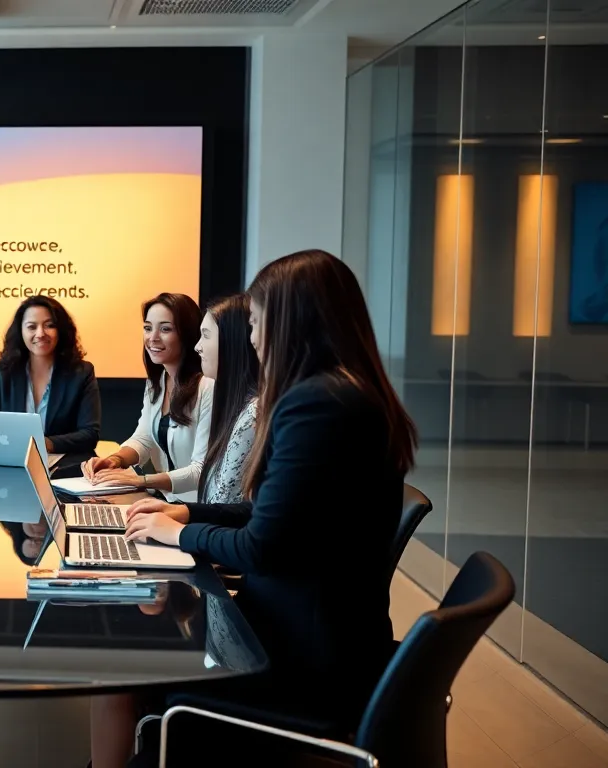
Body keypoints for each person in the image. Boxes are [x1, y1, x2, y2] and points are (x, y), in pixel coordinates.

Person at [91, 250, 417, 768]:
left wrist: (179, 535)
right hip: (325, 642)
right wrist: (187, 516)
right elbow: (268, 514)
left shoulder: (315, 405)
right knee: (138, 673)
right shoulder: (345, 394)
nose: (252, 336)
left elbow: (262, 547)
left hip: (300, 664)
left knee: (131, 677)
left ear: (291, 324)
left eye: (257, 322)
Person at [80, 293, 213, 501]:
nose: (153, 338)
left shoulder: (208, 387)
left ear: (187, 334)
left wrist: (140, 481)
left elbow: (200, 471)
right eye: (148, 328)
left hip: (199, 506)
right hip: (167, 500)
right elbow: (144, 438)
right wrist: (115, 460)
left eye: (165, 329)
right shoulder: (157, 381)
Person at [0, 295, 101, 460]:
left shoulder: (81, 373)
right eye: (31, 327)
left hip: (66, 466)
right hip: (14, 462)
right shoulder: (6, 371)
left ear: (61, 330)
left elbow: (89, 434)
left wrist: (45, 443)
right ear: (21, 331)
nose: (40, 333)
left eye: (49, 325)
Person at [192, 294, 260, 504]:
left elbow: (221, 502)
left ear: (232, 341)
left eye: (206, 335)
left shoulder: (252, 414)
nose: (197, 346)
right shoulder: (237, 405)